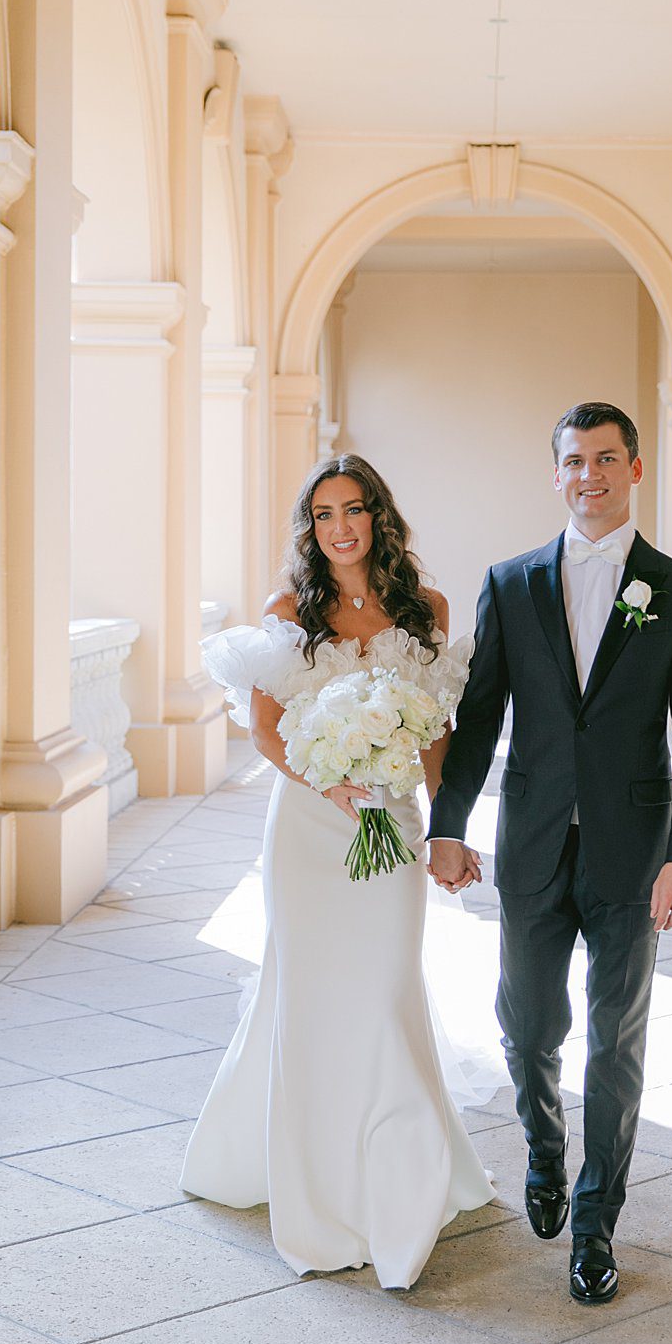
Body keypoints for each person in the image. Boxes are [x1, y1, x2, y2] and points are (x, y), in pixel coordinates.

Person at [426, 400, 672, 1305]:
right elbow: (478, 721)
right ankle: (544, 1148)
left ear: (635, 469)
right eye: (573, 461)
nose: (588, 476)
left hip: (635, 855)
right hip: (533, 842)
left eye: (605, 459)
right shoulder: (510, 583)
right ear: (554, 474)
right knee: (527, 1023)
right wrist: (448, 825)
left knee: (617, 1041)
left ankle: (595, 1224)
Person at [184, 455, 494, 1290]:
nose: (341, 527)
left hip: (392, 818)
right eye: (324, 514)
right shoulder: (289, 611)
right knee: (314, 997)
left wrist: (448, 830)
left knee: (388, 988)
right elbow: (264, 730)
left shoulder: (425, 608)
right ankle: (319, 1185)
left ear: (378, 517)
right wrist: (335, 779)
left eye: (354, 510)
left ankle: (401, 1180)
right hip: (312, 828)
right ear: (310, 528)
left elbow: (434, 731)